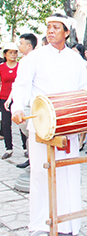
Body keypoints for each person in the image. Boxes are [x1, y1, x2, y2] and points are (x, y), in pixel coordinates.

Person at [11, 13, 87, 236]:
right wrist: (17, 107)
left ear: (67, 32)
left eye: (56, 27)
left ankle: (67, 222)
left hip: (69, 122)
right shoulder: (34, 57)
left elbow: (84, 87)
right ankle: (39, 226)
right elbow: (21, 85)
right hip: (42, 124)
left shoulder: (76, 59)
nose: (51, 30)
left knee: (68, 170)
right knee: (41, 174)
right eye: (48, 27)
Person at [11, 33, 38, 168]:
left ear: (29, 45)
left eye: (21, 43)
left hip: (33, 104)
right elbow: (19, 83)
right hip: (24, 103)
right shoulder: (23, 61)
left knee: (33, 134)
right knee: (27, 133)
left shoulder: (36, 60)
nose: (18, 46)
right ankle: (31, 158)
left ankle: (34, 160)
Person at [0, 42, 19, 159]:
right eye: (10, 53)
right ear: (5, 54)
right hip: (4, 97)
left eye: (15, 52)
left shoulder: (21, 66)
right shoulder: (1, 67)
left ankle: (26, 148)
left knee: (21, 121)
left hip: (17, 98)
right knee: (6, 123)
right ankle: (9, 148)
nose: (13, 55)